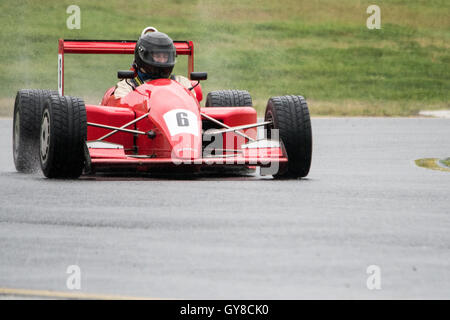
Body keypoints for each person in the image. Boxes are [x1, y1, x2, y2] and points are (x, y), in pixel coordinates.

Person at [113, 30, 193, 99]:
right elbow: (121, 108)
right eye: (157, 56)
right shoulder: (127, 86)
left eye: (165, 56)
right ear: (143, 57)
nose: (162, 61)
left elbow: (192, 106)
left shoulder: (182, 83)